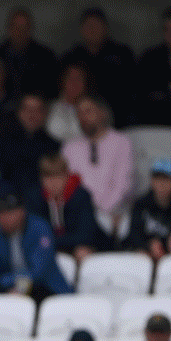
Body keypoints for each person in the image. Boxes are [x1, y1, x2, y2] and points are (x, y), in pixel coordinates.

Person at [0, 190, 71, 302]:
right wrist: (4, 285)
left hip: (47, 290)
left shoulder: (40, 228)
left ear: (22, 211)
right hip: (8, 291)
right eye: (0, 213)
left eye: (10, 213)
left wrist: (9, 282)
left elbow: (38, 273)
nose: (5, 218)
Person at [61, 96, 133, 236]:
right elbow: (68, 184)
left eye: (88, 111)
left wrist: (102, 211)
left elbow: (124, 184)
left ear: (102, 113)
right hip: (81, 214)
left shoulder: (122, 142)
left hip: (115, 213)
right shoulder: (69, 147)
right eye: (79, 113)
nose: (83, 117)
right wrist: (90, 212)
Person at [61, 7, 137, 129]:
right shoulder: (72, 57)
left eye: (96, 25)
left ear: (105, 28)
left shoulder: (123, 54)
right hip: (80, 121)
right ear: (81, 29)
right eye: (88, 25)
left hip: (119, 120)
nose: (92, 29)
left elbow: (133, 90)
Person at [26, 153, 102, 261]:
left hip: (77, 246)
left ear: (66, 176)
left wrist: (51, 240)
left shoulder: (81, 196)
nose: (53, 182)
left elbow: (86, 235)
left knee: (82, 252)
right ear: (41, 178)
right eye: (48, 177)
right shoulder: (35, 198)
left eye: (58, 176)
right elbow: (35, 233)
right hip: (50, 246)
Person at [0, 7, 59, 101]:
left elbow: (51, 90)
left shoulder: (46, 56)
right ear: (9, 28)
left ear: (31, 29)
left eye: (24, 27)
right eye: (16, 27)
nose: (20, 32)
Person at [126, 159, 171, 258]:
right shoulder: (141, 204)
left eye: (166, 178)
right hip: (146, 255)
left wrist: (162, 247)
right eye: (157, 178)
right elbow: (133, 235)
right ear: (152, 180)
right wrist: (149, 245)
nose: (161, 184)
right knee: (140, 255)